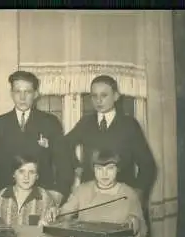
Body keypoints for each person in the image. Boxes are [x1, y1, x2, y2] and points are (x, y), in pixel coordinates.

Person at [64, 75, 157, 209]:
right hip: (91, 197)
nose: (98, 100)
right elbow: (64, 144)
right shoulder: (86, 122)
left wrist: (137, 192)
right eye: (94, 96)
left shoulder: (129, 125)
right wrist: (76, 165)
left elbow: (148, 165)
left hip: (120, 196)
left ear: (116, 96)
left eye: (104, 95)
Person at [0, 70, 74, 207]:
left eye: (28, 92)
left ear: (36, 94)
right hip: (6, 199)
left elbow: (64, 163)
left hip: (41, 199)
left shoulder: (50, 122)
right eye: (17, 91)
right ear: (11, 94)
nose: (22, 97)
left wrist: (59, 193)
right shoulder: (0, 123)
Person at [44, 149, 148, 237]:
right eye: (99, 168)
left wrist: (135, 223)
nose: (104, 174)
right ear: (93, 169)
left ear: (118, 168)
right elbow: (64, 215)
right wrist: (55, 213)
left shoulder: (129, 193)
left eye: (110, 168)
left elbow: (142, 231)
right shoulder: (82, 190)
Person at [0, 155, 56, 226]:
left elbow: (52, 227)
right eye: (21, 171)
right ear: (13, 174)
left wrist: (47, 227)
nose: (26, 177)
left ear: (37, 176)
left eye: (31, 172)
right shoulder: (0, 197)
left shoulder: (45, 198)